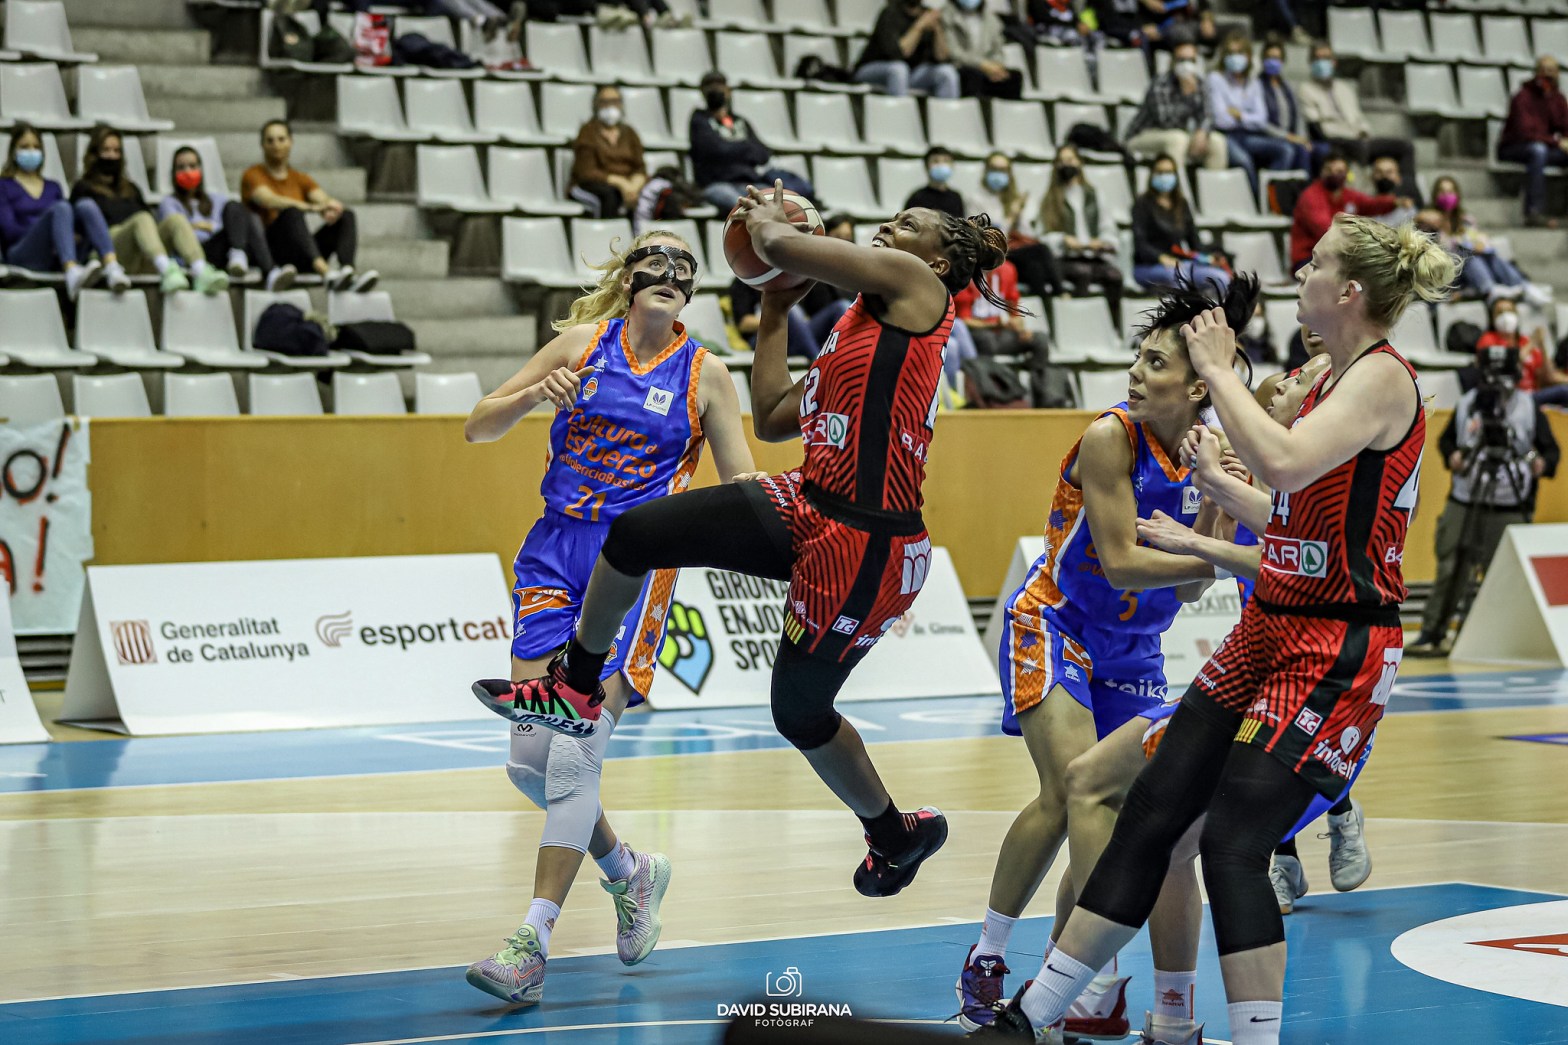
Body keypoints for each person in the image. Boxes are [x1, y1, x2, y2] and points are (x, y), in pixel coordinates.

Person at [976, 214, 1454, 1044]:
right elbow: (1294, 519)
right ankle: (1038, 1014)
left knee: (1234, 840)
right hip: (1267, 628)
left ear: (1349, 292)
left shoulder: (1381, 377)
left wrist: (1218, 370)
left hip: (1334, 647)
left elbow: (1286, 464)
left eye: (1315, 263)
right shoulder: (1331, 382)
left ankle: (1236, 1031)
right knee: (1151, 809)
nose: (1298, 270)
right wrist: (1213, 508)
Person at [473, 189, 1017, 905]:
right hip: (808, 500)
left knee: (797, 712)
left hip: (867, 542)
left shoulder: (918, 289)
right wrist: (772, 305)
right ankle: (574, 682)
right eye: (890, 220)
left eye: (908, 226)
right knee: (639, 531)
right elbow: (772, 414)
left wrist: (771, 217)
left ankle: (891, 832)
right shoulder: (858, 320)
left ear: (939, 259)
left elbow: (784, 244)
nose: (889, 226)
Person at [957, 274, 1260, 1040]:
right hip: (1055, 625)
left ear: (1197, 385)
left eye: (1155, 363)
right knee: (1069, 791)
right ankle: (997, 954)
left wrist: (1214, 506)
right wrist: (1213, 555)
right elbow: (1124, 561)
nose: (1135, 372)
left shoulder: (1210, 450)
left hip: (1134, 647)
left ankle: (1082, 982)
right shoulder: (1110, 436)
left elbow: (1193, 591)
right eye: (1139, 356)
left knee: (1137, 817)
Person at [461, 228, 759, 1006]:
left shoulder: (708, 375)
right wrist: (532, 397)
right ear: (631, 281)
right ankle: (630, 871)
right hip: (553, 551)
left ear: (691, 291)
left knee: (570, 757)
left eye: (685, 267)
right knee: (528, 759)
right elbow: (477, 424)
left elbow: (746, 494)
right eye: (656, 262)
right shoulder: (581, 345)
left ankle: (531, 941)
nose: (672, 273)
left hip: (631, 566)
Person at [1140, 354, 1376, 923]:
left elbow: (1279, 556)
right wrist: (1213, 503)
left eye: (1285, 388)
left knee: (1275, 761)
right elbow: (1226, 561)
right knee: (1245, 756)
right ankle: (1280, 856)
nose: (1271, 397)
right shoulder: (1248, 463)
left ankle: (1337, 814)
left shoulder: (1323, 473)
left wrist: (1198, 541)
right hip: (1262, 632)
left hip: (1321, 642)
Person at [1408, 346, 1561, 656]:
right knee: (1451, 566)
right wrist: (1453, 456)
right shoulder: (1467, 404)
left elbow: (1551, 453)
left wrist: (1539, 463)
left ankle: (1478, 638)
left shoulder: (1529, 408)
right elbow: (1446, 441)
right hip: (1465, 500)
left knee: (1497, 575)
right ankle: (1432, 632)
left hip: (1509, 505)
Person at [71, 126, 222, 296]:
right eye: (106, 150)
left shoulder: (131, 188)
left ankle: (201, 270)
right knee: (141, 219)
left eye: (116, 151)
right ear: (94, 154)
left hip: (142, 252)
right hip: (108, 252)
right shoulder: (83, 188)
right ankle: (167, 270)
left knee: (176, 220)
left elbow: (151, 224)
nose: (112, 156)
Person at [242, 119, 377, 292]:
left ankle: (347, 272)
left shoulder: (299, 178)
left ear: (291, 142)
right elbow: (267, 199)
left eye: (281, 139)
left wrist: (330, 208)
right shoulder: (253, 174)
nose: (276, 145)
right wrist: (311, 208)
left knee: (346, 216)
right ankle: (326, 273)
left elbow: (322, 199)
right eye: (270, 140)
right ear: (262, 145)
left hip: (301, 253)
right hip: (271, 252)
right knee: (292, 213)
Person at [0, 123, 125, 298]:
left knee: (85, 205)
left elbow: (66, 223)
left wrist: (64, 233)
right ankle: (71, 272)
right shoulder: (4, 186)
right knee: (61, 208)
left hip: (55, 254)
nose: (31, 151)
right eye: (24, 147)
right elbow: (9, 231)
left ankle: (112, 267)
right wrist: (48, 231)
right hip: (22, 253)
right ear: (13, 151)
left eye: (36, 147)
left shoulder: (53, 187)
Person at [160, 147, 297, 293]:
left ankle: (246, 258)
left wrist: (200, 226)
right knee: (244, 221)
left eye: (192, 166)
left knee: (238, 209)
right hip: (196, 255)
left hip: (222, 249)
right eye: (181, 167)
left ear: (201, 169)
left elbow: (233, 222)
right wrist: (211, 227)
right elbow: (179, 231)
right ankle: (266, 269)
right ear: (174, 173)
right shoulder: (168, 203)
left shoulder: (217, 199)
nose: (187, 171)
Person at [689, 71, 815, 213]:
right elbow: (717, 150)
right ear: (702, 92)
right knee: (739, 206)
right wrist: (744, 147)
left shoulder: (740, 121)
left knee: (783, 202)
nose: (715, 90)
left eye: (719, 86)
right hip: (716, 184)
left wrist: (730, 149)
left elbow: (762, 153)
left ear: (728, 91)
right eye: (710, 86)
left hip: (749, 183)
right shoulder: (699, 120)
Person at [1298, 42, 1417, 181]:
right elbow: (1316, 126)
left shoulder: (1344, 88)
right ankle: (1360, 188)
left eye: (1326, 58)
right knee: (1359, 147)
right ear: (1311, 63)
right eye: (1318, 59)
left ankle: (1407, 192)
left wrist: (1364, 132)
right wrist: (1350, 137)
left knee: (1405, 147)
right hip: (1335, 139)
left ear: (1334, 62)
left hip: (1358, 137)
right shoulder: (1305, 89)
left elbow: (1358, 117)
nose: (1322, 63)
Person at [1427, 175, 1551, 307]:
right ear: (1435, 195)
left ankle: (1522, 287)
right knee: (1466, 253)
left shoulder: (1466, 220)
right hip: (1450, 275)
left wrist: (1480, 244)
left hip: (1472, 274)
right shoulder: (1427, 221)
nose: (1447, 196)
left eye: (1450, 192)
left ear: (1457, 195)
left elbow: (1475, 239)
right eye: (1442, 192)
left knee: (1483, 253)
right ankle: (1502, 288)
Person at [1037, 144, 1124, 317]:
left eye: (1070, 160)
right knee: (1081, 273)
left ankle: (1113, 325)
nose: (1066, 165)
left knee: (1115, 276)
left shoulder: (1094, 195)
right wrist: (1063, 240)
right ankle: (1079, 321)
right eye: (1061, 161)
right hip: (1065, 259)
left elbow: (1108, 228)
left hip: (1093, 256)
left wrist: (1102, 242)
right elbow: (1041, 237)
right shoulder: (1050, 198)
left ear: (1079, 163)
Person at [1206, 34, 1299, 193]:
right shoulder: (1216, 79)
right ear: (1224, 57)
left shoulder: (1253, 83)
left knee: (1286, 150)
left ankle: (1271, 195)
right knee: (1245, 161)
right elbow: (1221, 120)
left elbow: (1261, 119)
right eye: (1231, 53)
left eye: (1239, 53)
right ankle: (1257, 202)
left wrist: (1240, 115)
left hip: (1248, 135)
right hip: (1225, 135)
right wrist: (1248, 117)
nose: (1235, 58)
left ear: (1248, 56)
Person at [1123, 36, 1229, 172]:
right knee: (1178, 139)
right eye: (1181, 60)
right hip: (1142, 136)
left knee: (1217, 142)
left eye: (1191, 60)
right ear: (1172, 62)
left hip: (1180, 134)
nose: (1186, 64)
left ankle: (1214, 190)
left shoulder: (1200, 83)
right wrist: (1187, 96)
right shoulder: (1160, 84)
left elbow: (1208, 115)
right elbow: (1166, 122)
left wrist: (1202, 132)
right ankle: (1179, 191)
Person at [1288, 151, 1403, 271]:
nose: (1334, 174)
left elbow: (1370, 204)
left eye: (1339, 171)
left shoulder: (1347, 194)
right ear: (1321, 172)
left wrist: (1394, 202)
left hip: (1337, 255)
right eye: (1329, 170)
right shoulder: (1311, 196)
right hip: (1310, 259)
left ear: (1346, 173)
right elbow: (1324, 229)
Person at [1131, 154, 1229, 292]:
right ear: (1152, 174)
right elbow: (1140, 244)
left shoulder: (1182, 204)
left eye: (1169, 172)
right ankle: (1184, 313)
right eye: (1160, 172)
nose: (1164, 176)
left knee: (1220, 278)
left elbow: (1195, 243)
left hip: (1180, 265)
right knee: (1178, 276)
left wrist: (1210, 257)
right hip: (1148, 266)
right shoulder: (1142, 204)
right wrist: (1162, 258)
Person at [972, 150, 1060, 300]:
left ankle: (1047, 307)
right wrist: (1011, 216)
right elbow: (990, 240)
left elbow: (1028, 236)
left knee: (1035, 268)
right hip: (995, 253)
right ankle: (1060, 293)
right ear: (986, 171)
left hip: (1018, 253)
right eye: (994, 169)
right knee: (1041, 250)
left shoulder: (1014, 198)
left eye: (1003, 170)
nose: (998, 174)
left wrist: (1021, 215)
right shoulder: (976, 201)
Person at [1496, 56, 1568, 228]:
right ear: (1536, 72)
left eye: (1552, 70)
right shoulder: (1522, 97)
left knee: (1542, 151)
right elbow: (1526, 132)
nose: (1548, 74)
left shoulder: (1557, 98)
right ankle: (1533, 212)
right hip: (1514, 147)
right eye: (1544, 69)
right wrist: (1557, 142)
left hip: (1544, 147)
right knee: (1538, 150)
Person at [1473, 298, 1568, 410]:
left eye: (1510, 311)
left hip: (1533, 395)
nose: (1506, 316)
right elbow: (1506, 364)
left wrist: (1542, 346)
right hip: (1508, 396)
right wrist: (1532, 343)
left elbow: (1548, 377)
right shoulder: (1488, 340)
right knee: (1564, 392)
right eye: (1500, 312)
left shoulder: (1524, 341)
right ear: (1492, 319)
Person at [854, 0, 961, 99]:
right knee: (898, 70)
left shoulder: (928, 14)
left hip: (911, 73)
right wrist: (919, 26)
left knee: (947, 73)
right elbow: (898, 53)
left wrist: (937, 28)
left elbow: (942, 57)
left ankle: (947, 118)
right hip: (873, 69)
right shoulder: (890, 13)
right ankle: (899, 117)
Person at [570, 84, 647, 220]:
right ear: (596, 105)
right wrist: (620, 183)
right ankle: (609, 238)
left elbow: (639, 167)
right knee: (611, 195)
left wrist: (633, 187)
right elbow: (587, 172)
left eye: (615, 101)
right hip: (593, 185)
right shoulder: (587, 132)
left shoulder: (630, 133)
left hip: (629, 185)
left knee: (649, 195)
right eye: (605, 102)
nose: (610, 106)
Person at [942, 0, 1024, 100]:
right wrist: (982, 64)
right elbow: (953, 52)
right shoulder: (946, 16)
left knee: (1014, 77)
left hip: (988, 66)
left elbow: (997, 49)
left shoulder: (991, 19)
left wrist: (997, 66)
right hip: (962, 65)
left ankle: (1008, 114)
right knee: (973, 76)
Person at [1257, 39, 1311, 174]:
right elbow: (1260, 121)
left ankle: (1302, 192)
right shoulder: (1256, 85)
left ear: (1282, 61)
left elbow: (1298, 115)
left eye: (1276, 58)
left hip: (1290, 137)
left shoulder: (1288, 86)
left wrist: (1302, 138)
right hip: (1267, 137)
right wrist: (1287, 136)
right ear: (1263, 59)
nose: (1272, 61)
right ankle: (1273, 193)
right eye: (1269, 57)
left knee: (1304, 150)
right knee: (1287, 150)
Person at [904, 146, 967, 218]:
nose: (941, 165)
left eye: (946, 161)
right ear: (926, 166)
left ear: (952, 166)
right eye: (935, 161)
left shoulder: (956, 197)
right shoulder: (917, 198)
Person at [1368, 154, 1420, 227]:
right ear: (1372, 177)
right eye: (1379, 172)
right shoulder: (1363, 205)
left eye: (1389, 172)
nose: (1384, 176)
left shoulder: (1408, 210)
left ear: (1398, 178)